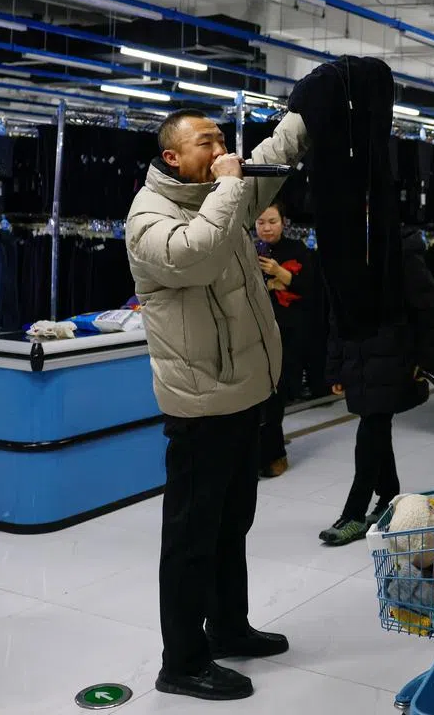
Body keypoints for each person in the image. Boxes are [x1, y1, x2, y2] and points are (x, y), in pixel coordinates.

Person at [125, 108, 309, 702]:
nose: (222, 148)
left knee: (233, 525)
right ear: (172, 157)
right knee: (190, 540)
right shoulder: (149, 216)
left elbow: (272, 164)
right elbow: (197, 254)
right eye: (206, 142)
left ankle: (228, 627)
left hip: (243, 394)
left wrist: (304, 110)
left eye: (222, 139)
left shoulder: (221, 193)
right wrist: (230, 185)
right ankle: (181, 661)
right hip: (199, 404)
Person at [319, 228, 434, 546]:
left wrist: (428, 360)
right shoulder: (344, 249)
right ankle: (389, 495)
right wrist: (335, 365)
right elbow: (336, 312)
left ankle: (354, 513)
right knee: (376, 425)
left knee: (371, 426)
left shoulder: (401, 249)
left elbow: (429, 308)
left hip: (394, 356)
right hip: (357, 356)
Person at [255, 200, 315, 478]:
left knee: (275, 395)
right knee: (256, 398)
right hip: (254, 333)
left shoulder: (297, 250)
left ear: (283, 222)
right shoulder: (248, 250)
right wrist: (274, 283)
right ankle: (258, 455)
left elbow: (311, 289)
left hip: (287, 334)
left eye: (272, 221)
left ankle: (275, 455)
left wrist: (280, 274)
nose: (266, 228)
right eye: (261, 222)